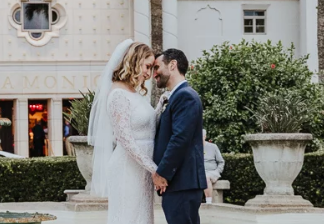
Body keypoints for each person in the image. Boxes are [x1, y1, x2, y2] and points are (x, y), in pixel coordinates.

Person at [87, 40, 159, 224]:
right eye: (147, 66)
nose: (148, 73)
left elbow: (149, 123)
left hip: (143, 168)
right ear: (134, 61)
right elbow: (125, 139)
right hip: (128, 167)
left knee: (143, 217)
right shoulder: (118, 95)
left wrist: (163, 103)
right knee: (128, 218)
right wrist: (154, 169)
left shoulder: (135, 93)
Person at [152, 48, 206, 224]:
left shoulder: (185, 96)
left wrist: (162, 173)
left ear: (172, 65)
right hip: (179, 182)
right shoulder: (177, 96)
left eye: (157, 67)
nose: (154, 74)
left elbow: (180, 139)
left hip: (183, 181)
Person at [202, 130, 224, 203]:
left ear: (205, 137)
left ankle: (208, 202)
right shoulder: (193, 147)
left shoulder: (213, 147)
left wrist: (217, 171)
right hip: (199, 171)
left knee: (206, 177)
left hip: (212, 172)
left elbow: (221, 162)